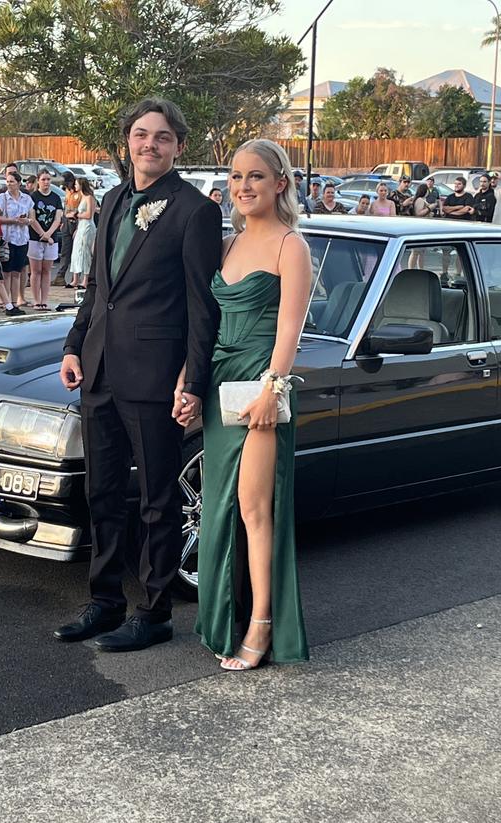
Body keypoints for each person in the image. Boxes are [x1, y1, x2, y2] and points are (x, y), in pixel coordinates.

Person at [55, 97, 221, 652]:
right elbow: (99, 288)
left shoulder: (195, 211)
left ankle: (152, 614)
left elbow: (203, 307)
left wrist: (193, 381)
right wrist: (75, 345)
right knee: (102, 493)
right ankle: (104, 602)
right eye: (141, 134)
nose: (150, 144)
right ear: (127, 140)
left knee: (156, 500)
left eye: (163, 137)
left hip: (155, 379)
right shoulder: (111, 200)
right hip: (98, 372)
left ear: (178, 146)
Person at [196, 139, 311, 669]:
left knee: (255, 509)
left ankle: (262, 624)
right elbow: (209, 324)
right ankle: (225, 617)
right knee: (219, 508)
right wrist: (189, 385)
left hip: (261, 390)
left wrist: (274, 389)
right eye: (237, 176)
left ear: (280, 183)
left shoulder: (292, 246)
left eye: (257, 176)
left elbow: (291, 328)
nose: (244, 186)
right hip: (223, 386)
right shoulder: (229, 244)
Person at [0, 170, 34, 307]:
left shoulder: (27, 199)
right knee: (6, 271)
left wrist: (25, 221)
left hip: (22, 238)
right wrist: (12, 220)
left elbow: (32, 218)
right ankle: (5, 300)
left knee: (17, 271)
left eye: (12, 181)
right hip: (7, 238)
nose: (9, 184)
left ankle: (15, 301)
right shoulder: (2, 198)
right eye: (7, 181)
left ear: (19, 183)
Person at [27, 169, 63, 310]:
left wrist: (48, 234)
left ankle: (44, 299)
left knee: (46, 271)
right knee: (36, 271)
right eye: (43, 179)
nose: (46, 182)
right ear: (38, 180)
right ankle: (36, 300)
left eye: (48, 179)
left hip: (51, 238)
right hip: (35, 238)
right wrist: (42, 234)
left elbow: (57, 218)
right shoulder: (33, 197)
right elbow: (32, 218)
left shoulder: (55, 198)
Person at [69, 177, 96, 292]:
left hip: (88, 226)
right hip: (81, 226)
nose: (75, 186)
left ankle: (85, 279)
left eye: (76, 184)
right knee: (76, 251)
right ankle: (75, 278)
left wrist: (75, 215)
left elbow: (89, 214)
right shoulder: (81, 197)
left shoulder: (89, 197)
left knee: (85, 251)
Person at [52, 171, 79, 287]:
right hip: (67, 222)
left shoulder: (80, 191)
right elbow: (66, 207)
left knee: (76, 252)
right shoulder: (68, 191)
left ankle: (75, 277)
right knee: (65, 251)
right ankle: (60, 276)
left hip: (76, 221)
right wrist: (63, 221)